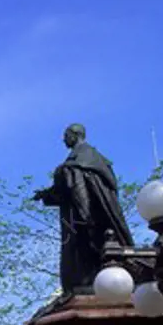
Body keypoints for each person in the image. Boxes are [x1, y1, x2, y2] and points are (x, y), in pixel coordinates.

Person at [33, 123, 133, 293]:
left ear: (75, 135)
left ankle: (88, 282)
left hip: (85, 219)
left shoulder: (82, 159)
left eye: (66, 135)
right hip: (83, 217)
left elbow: (77, 190)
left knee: (83, 253)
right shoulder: (89, 159)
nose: (63, 139)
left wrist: (85, 218)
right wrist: (47, 194)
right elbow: (69, 189)